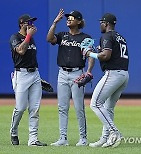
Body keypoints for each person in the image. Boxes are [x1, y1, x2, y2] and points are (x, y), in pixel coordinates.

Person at [46, 9, 94, 146]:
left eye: (72, 18)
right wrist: (55, 23)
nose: (69, 19)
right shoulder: (62, 35)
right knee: (62, 107)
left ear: (79, 21)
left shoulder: (85, 38)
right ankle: (63, 138)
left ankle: (83, 138)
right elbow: (49, 39)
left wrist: (88, 72)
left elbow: (90, 55)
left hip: (77, 73)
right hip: (62, 73)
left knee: (79, 107)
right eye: (68, 18)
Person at [84, 13, 129, 148]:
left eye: (101, 22)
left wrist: (89, 54)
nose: (100, 25)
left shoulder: (107, 35)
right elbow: (110, 52)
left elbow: (106, 55)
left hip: (113, 74)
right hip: (124, 74)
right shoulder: (120, 37)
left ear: (106, 23)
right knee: (108, 108)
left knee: (95, 104)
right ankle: (105, 139)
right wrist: (98, 49)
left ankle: (114, 132)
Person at [9, 14, 47, 146]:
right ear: (22, 24)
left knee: (35, 108)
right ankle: (13, 132)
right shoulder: (15, 37)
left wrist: (38, 79)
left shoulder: (31, 39)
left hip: (34, 74)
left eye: (32, 22)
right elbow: (20, 51)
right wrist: (28, 36)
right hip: (22, 75)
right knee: (20, 108)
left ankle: (33, 139)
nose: (31, 24)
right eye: (29, 22)